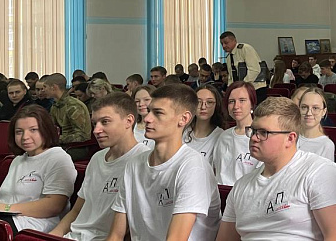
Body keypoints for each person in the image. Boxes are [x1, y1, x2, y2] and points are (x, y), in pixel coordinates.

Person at [216, 97, 336, 241]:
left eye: (263, 132)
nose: (254, 138)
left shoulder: (321, 173)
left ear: (290, 138)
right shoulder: (241, 186)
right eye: (253, 130)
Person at [107, 84, 221, 241]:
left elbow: (176, 239)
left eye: (158, 113)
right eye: (149, 111)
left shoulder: (193, 167)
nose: (147, 118)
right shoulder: (134, 164)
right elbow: (115, 235)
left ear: (183, 119)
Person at [50, 93, 150, 240]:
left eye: (105, 122)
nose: (96, 130)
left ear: (128, 121)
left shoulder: (144, 161)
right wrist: (52, 236)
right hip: (74, 236)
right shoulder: (97, 158)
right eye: (95, 123)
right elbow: (77, 211)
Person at [0, 105, 76, 233]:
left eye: (33, 130)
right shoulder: (18, 160)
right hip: (6, 218)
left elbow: (54, 206)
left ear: (46, 130)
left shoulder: (58, 158)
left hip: (36, 223)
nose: (25, 137)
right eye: (19, 131)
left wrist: (6, 208)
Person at [213, 81, 262, 186]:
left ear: (252, 104)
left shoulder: (261, 137)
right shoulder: (224, 136)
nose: (236, 106)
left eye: (242, 100)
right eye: (231, 101)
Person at [183, 84, 225, 165]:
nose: (203, 107)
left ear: (216, 105)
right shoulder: (182, 131)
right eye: (198, 102)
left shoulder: (221, 136)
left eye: (209, 102)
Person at [45, 73, 92, 143]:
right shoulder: (55, 106)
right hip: (63, 143)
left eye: (45, 87)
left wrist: (57, 139)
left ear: (54, 87)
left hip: (77, 146)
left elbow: (82, 136)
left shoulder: (74, 106)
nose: (43, 90)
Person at [297, 87, 334, 161]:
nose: (309, 113)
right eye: (304, 107)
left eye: (315, 108)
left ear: (324, 112)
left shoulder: (326, 145)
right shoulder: (289, 136)